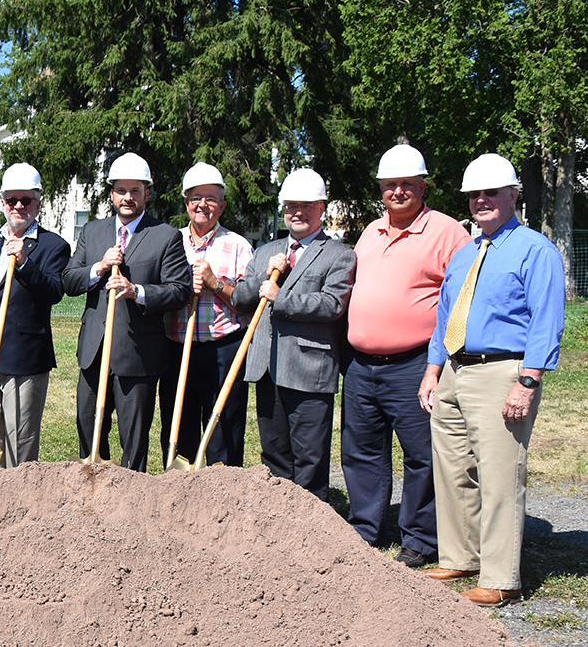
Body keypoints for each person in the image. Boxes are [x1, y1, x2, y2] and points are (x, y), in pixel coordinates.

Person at [419, 154, 564, 607]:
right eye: (474, 194)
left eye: (491, 192)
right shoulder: (464, 253)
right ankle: (461, 556)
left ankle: (502, 578)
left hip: (503, 371)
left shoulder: (535, 250)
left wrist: (528, 381)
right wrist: (433, 370)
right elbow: (446, 316)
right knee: (452, 468)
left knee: (500, 473)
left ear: (513, 195)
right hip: (455, 370)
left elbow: (546, 320)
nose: (481, 200)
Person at [343, 145, 469, 567]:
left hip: (414, 363)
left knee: (422, 455)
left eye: (407, 184)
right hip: (361, 365)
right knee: (361, 451)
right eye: (390, 184)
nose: (397, 191)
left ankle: (420, 538)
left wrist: (440, 363)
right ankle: (366, 529)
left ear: (423, 187)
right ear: (381, 188)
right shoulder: (370, 231)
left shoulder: (448, 233)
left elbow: (461, 301)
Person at [231, 168, 354, 502]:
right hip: (268, 368)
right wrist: (264, 277)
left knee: (310, 458)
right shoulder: (265, 252)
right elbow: (239, 299)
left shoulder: (339, 254)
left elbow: (332, 304)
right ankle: (279, 518)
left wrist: (280, 297)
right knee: (274, 454)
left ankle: (311, 521)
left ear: (321, 208)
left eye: (306, 206)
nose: (298, 212)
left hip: (309, 369)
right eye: (291, 206)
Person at [62, 153, 190, 471]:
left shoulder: (165, 236)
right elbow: (69, 280)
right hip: (94, 351)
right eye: (121, 190)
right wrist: (99, 267)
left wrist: (138, 291)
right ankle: (93, 488)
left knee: (133, 440)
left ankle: (131, 495)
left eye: (135, 190)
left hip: (137, 355)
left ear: (147, 193)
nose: (128, 197)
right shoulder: (92, 232)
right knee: (88, 428)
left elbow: (179, 291)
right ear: (112, 194)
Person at [0, 163, 69, 468]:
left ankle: (20, 496)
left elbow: (53, 292)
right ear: (3, 202)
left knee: (19, 445)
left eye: (26, 199)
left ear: (38, 202)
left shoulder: (53, 246)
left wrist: (23, 263)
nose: (19, 206)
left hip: (24, 360)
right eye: (12, 200)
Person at [157, 163, 254, 467]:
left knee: (223, 429)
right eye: (196, 198)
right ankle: (179, 487)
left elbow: (248, 303)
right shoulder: (169, 242)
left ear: (222, 206)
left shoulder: (238, 246)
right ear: (186, 203)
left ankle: (222, 489)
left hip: (223, 348)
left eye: (211, 198)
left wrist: (215, 283)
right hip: (176, 347)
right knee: (177, 426)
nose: (203, 205)